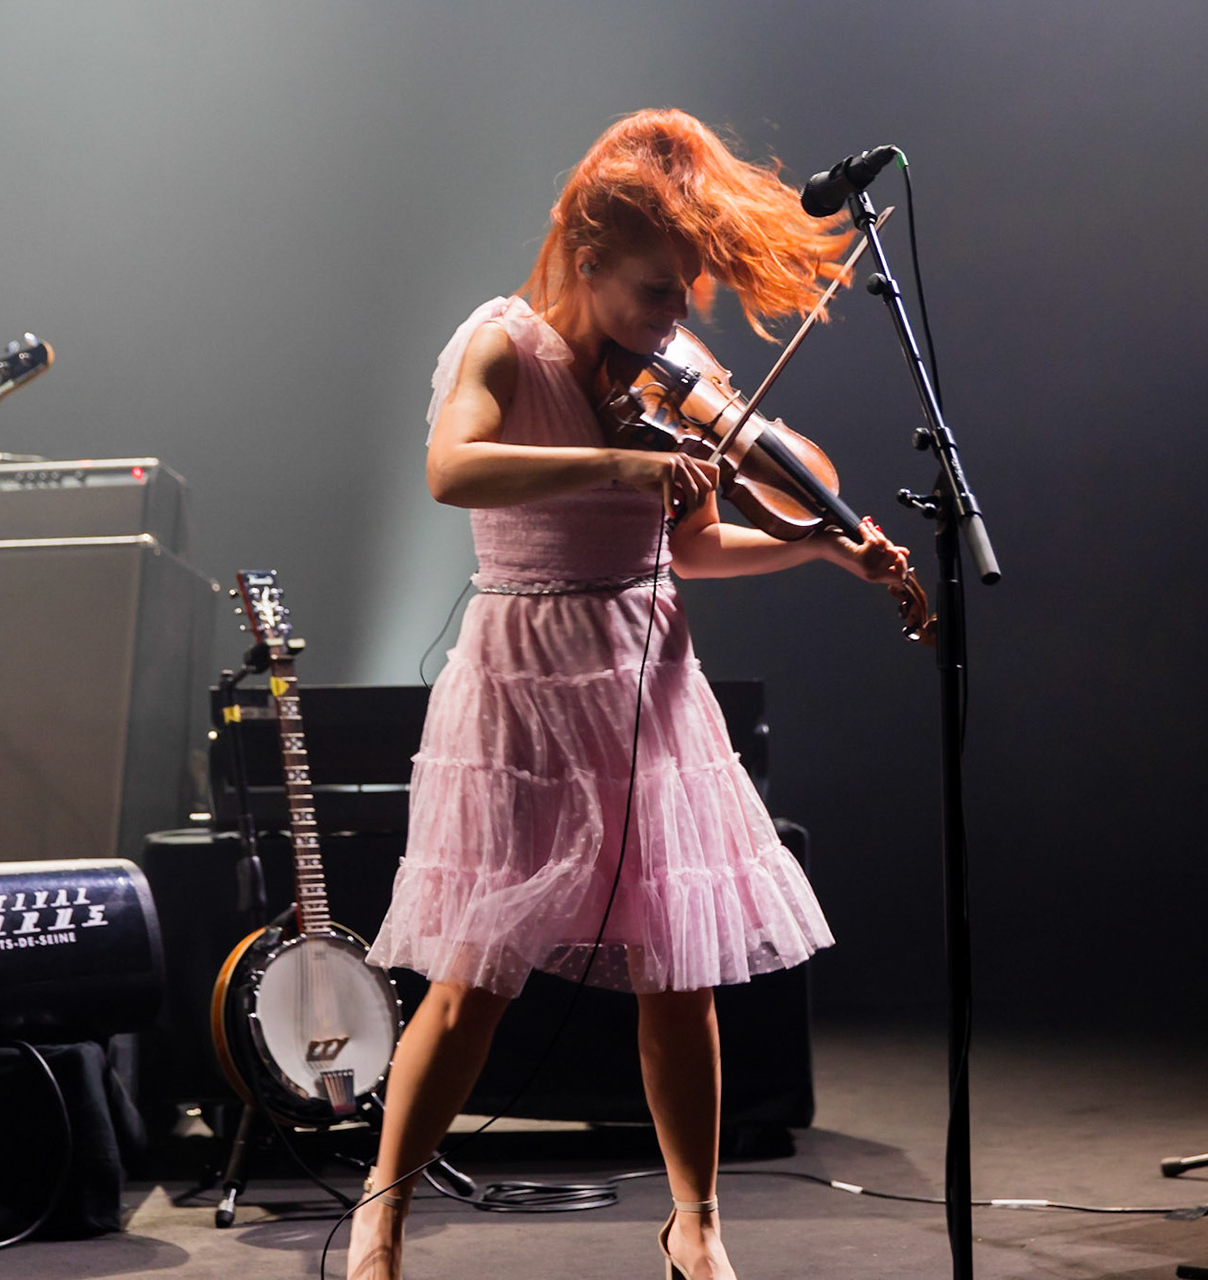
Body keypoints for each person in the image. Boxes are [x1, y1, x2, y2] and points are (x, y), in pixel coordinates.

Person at [350, 110, 912, 1280]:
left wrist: (822, 543)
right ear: (586, 264)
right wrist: (621, 461)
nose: (674, 320)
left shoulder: (679, 379)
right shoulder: (501, 344)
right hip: (523, 677)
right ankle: (383, 1214)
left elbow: (697, 545)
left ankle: (696, 1221)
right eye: (654, 294)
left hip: (647, 672)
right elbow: (451, 468)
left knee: (679, 967)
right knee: (473, 976)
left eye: (683, 297)